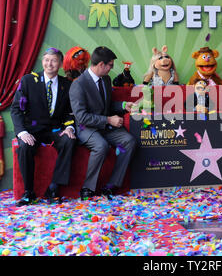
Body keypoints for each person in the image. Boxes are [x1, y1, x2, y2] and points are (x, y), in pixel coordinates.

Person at [69, 46, 137, 200]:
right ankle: (87, 188)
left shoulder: (105, 79)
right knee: (101, 146)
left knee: (129, 141)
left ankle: (112, 185)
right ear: (101, 65)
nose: (111, 69)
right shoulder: (78, 85)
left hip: (105, 127)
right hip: (86, 128)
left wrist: (123, 105)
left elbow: (106, 104)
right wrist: (108, 119)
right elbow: (81, 117)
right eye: (110, 65)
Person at [11, 47, 76, 206]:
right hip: (31, 130)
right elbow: (16, 109)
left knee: (69, 140)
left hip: (54, 129)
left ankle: (53, 187)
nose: (50, 64)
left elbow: (70, 112)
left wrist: (69, 128)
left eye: (54, 60)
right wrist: (22, 132)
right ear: (42, 62)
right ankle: (28, 192)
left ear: (60, 64)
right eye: (47, 60)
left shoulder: (66, 85)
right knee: (25, 146)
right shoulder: (28, 81)